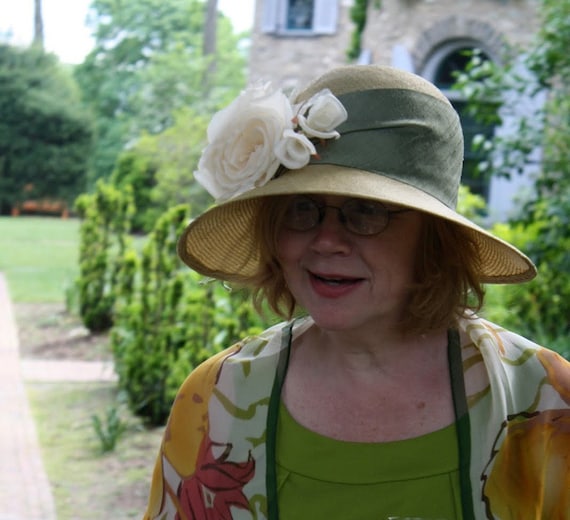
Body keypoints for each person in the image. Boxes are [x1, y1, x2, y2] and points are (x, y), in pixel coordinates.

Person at [143, 65, 570, 520]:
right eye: (302, 208)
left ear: (434, 240)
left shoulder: (544, 398)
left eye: (366, 211)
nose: (327, 241)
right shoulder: (217, 398)